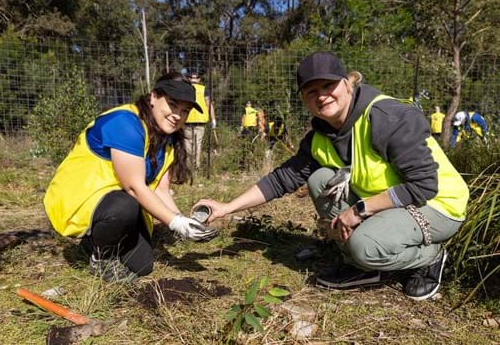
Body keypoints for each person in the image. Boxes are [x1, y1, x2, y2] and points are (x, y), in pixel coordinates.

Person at [196, 51, 469, 301]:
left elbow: (423, 186)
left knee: (366, 246)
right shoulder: (321, 136)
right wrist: (227, 207)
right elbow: (281, 179)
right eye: (312, 90)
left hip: (436, 204)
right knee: (320, 178)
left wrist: (359, 210)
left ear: (348, 84)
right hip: (391, 202)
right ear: (304, 99)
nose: (322, 95)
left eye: (329, 85)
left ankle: (430, 257)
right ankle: (360, 264)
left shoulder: (387, 117)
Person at [44, 72, 217, 283]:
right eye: (172, 104)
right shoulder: (125, 122)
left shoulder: (167, 140)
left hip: (114, 202)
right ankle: (101, 258)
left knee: (143, 265)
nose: (177, 115)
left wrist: (184, 222)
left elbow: (160, 190)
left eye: (184, 111)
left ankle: (91, 244)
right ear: (153, 97)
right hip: (80, 199)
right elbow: (134, 187)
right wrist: (175, 223)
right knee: (125, 205)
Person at [184, 70, 216, 169]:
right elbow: (209, 105)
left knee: (187, 142)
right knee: (198, 143)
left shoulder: (185, 89)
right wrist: (213, 119)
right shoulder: (203, 89)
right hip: (200, 121)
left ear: (189, 79)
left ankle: (189, 166)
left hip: (187, 121)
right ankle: (196, 165)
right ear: (199, 79)